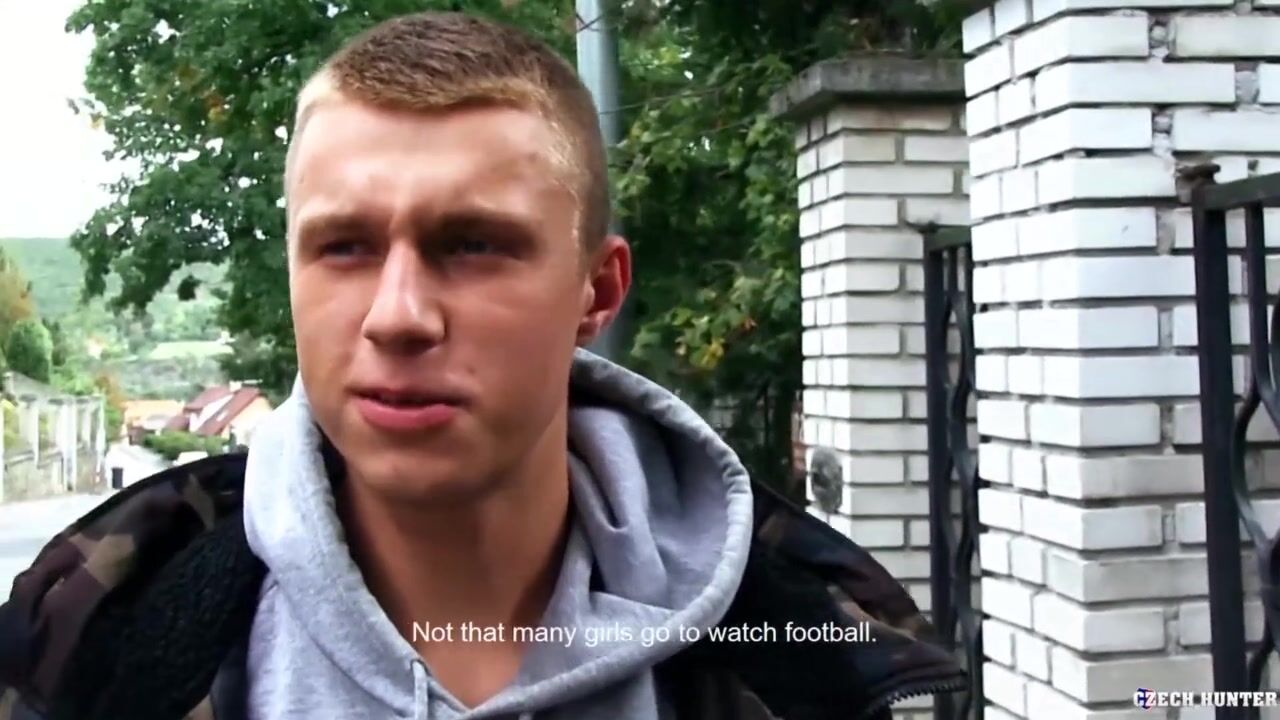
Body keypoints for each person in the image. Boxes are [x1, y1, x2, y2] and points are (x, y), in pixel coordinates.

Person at [0, 11, 964, 720]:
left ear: (597, 291)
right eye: (344, 246)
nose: (399, 315)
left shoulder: (809, 649)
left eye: (472, 245)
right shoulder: (92, 627)